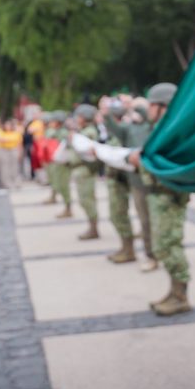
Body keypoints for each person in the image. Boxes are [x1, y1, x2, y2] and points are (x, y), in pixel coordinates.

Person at [127, 83, 191, 315]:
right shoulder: (162, 129)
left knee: (169, 246)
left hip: (168, 197)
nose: (148, 109)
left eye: (152, 104)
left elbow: (169, 165)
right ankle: (174, 292)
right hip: (157, 195)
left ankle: (180, 295)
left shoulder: (172, 131)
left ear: (161, 106)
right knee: (161, 245)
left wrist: (141, 162)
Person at [100, 96, 157, 271]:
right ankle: (150, 255)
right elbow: (114, 128)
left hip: (155, 180)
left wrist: (134, 105)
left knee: (153, 221)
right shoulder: (129, 129)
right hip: (137, 181)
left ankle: (158, 253)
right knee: (144, 220)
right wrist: (107, 112)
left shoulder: (153, 128)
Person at [68, 104, 101, 240]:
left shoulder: (89, 132)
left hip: (85, 169)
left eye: (79, 116)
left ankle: (93, 228)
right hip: (80, 169)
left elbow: (86, 149)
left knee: (87, 199)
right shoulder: (83, 131)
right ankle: (92, 226)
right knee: (84, 199)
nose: (77, 119)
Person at [0, 119, 22, 189]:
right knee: (5, 167)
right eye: (6, 125)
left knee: (15, 167)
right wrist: (7, 140)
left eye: (9, 125)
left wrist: (19, 152)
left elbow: (19, 143)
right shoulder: (1, 132)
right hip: (5, 150)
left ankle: (16, 182)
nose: (8, 126)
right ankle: (7, 183)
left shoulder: (16, 133)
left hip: (13, 149)